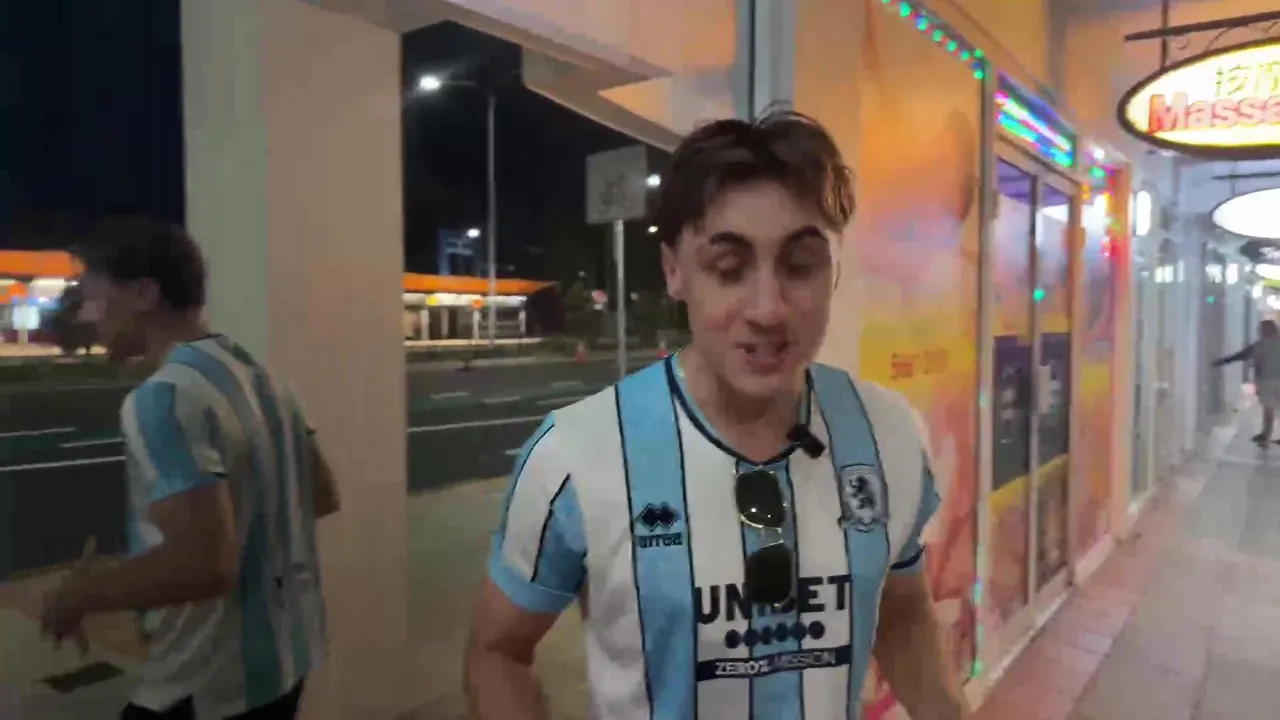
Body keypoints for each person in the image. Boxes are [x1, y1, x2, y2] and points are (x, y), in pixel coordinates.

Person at [465, 110, 967, 719]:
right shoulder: (574, 455)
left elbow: (904, 613)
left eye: (800, 265)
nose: (768, 309)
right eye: (729, 269)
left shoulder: (889, 432)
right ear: (674, 271)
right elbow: (498, 652)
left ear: (833, 270)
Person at [39, 216, 340, 720]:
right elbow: (322, 494)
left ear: (144, 293)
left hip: (204, 684)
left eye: (92, 296)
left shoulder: (163, 398)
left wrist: (80, 593)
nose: (87, 315)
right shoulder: (263, 376)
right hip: (286, 661)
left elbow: (204, 565)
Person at [1214, 318, 1280, 445]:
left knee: (1268, 409)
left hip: (1266, 381)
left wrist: (1221, 362)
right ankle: (1265, 434)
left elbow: (1241, 355)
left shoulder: (1260, 345)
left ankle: (1265, 434)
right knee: (1272, 408)